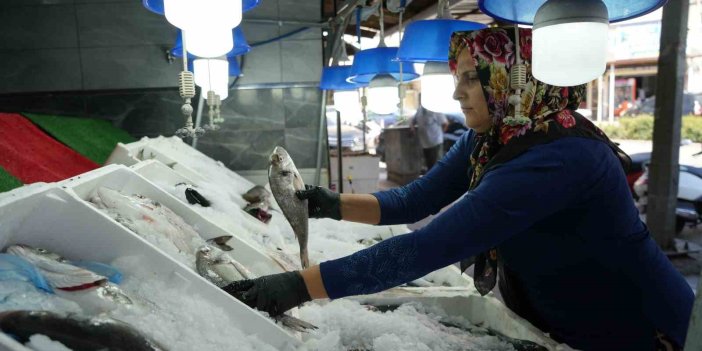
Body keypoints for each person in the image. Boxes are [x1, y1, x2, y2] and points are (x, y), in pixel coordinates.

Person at [225, 27, 694, 350]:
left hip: (638, 327)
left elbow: (430, 246)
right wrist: (332, 205)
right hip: (559, 317)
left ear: (514, 79)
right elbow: (417, 199)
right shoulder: (493, 137)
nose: (457, 93)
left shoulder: (559, 155)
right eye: (458, 78)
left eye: (472, 78)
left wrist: (295, 286)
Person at [409, 100, 449, 171]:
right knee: (429, 165)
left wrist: (440, 134)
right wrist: (412, 128)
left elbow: (445, 123)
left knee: (437, 165)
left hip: (435, 143)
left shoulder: (435, 110)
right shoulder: (420, 110)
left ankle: (438, 181)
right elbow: (413, 120)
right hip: (425, 143)